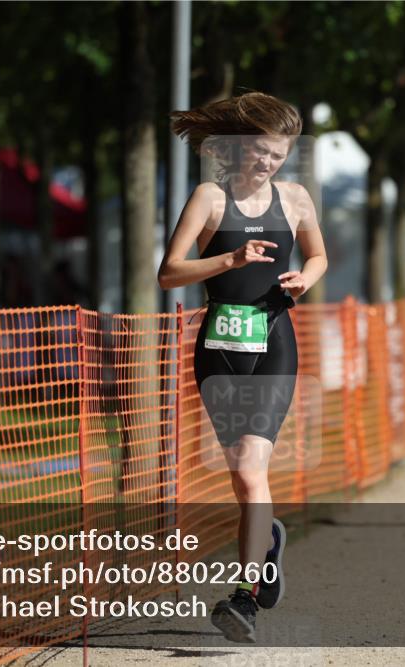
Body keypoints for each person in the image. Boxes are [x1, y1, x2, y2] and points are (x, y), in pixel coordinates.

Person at [158, 92, 327, 642]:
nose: (269, 162)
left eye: (278, 154)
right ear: (235, 147)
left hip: (275, 341)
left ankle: (244, 597)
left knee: (253, 468)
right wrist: (229, 260)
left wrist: (307, 277)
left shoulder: (296, 199)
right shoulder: (209, 198)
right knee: (239, 471)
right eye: (259, 151)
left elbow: (319, 255)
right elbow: (169, 273)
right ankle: (269, 543)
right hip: (220, 347)